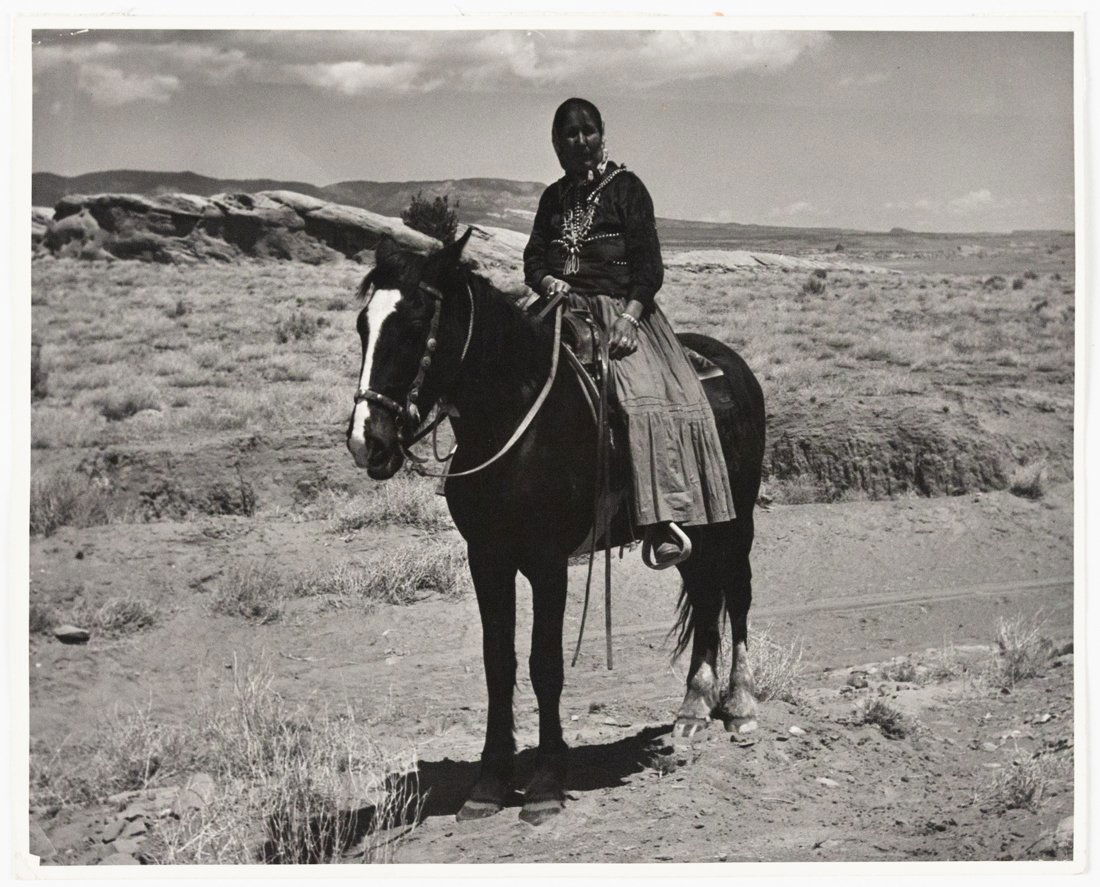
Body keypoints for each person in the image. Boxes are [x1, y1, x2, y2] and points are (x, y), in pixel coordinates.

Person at [523, 97, 735, 567]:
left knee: (641, 392)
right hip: (559, 306)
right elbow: (533, 258)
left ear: (602, 136)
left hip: (621, 311)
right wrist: (545, 280)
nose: (579, 142)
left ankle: (660, 519)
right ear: (555, 145)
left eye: (587, 132)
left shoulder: (628, 189)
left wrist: (630, 317)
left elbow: (649, 267)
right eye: (568, 135)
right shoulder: (552, 198)